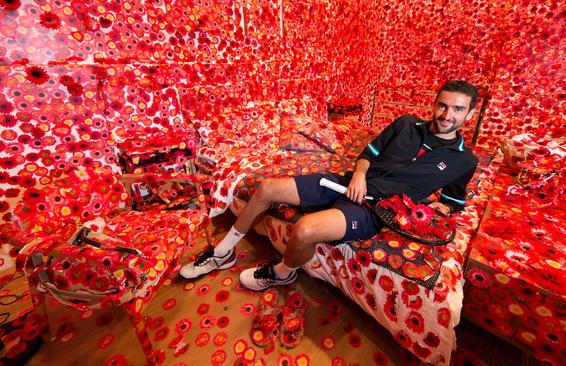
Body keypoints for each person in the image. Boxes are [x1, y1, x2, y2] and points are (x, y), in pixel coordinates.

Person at [180, 80, 479, 291]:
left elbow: (455, 200)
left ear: (470, 114)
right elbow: (368, 153)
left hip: (374, 209)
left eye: (457, 109)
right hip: (347, 182)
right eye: (442, 105)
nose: (446, 115)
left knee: (305, 229)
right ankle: (223, 252)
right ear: (435, 103)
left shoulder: (464, 160)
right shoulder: (404, 124)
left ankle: (282, 273)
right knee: (268, 187)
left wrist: (443, 206)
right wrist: (360, 173)